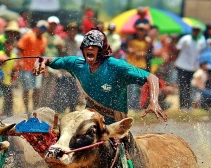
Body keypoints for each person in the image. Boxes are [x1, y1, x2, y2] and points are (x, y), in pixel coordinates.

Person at [33, 28, 167, 124]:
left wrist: (153, 102)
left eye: (94, 46)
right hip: (90, 121)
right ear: (83, 49)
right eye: (87, 46)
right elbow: (47, 59)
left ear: (101, 50)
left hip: (116, 124)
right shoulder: (76, 63)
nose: (90, 48)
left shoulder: (117, 66)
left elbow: (152, 77)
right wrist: (41, 62)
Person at [17, 20, 48, 111]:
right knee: (27, 90)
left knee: (37, 89)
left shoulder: (44, 40)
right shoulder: (28, 36)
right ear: (37, 27)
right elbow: (19, 49)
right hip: (26, 67)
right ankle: (27, 110)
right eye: (41, 27)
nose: (42, 30)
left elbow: (42, 54)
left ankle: (35, 109)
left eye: (44, 28)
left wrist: (43, 66)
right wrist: (20, 61)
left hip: (37, 67)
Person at [175, 25, 207, 110]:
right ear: (192, 31)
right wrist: (175, 61)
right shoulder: (186, 39)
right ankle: (182, 106)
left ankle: (187, 105)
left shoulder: (200, 42)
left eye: (197, 30)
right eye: (194, 30)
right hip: (181, 65)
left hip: (192, 67)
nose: (196, 32)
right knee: (183, 86)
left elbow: (200, 54)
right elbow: (177, 50)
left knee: (189, 86)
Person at [40, 16, 65, 109]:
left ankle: (45, 109)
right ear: (48, 24)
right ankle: (38, 109)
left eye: (55, 25)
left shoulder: (58, 39)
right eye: (51, 24)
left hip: (54, 67)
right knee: (41, 90)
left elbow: (62, 53)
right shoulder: (43, 36)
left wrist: (61, 48)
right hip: (43, 66)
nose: (53, 26)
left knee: (50, 90)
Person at [0, 38, 18, 117]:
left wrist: (13, 75)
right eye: (7, 45)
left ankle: (5, 113)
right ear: (4, 46)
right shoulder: (0, 53)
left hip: (8, 80)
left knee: (8, 98)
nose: (9, 47)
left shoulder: (14, 56)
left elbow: (15, 68)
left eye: (10, 45)